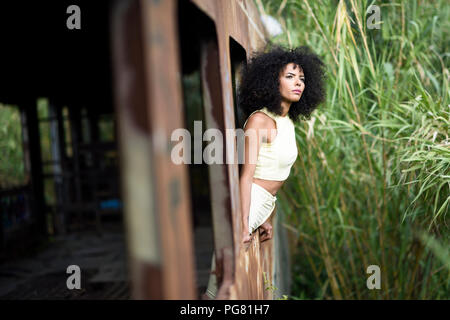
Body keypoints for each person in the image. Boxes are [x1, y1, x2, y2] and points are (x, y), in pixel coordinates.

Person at [203, 45, 326, 299]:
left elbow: (274, 175)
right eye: (290, 76)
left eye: (302, 78)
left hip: (262, 205)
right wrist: (242, 224)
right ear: (273, 80)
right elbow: (247, 176)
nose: (298, 83)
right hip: (249, 204)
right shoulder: (260, 121)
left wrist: (266, 216)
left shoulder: (287, 122)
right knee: (217, 292)